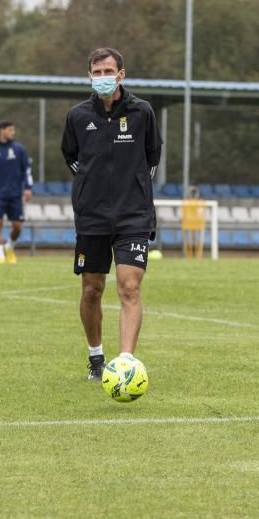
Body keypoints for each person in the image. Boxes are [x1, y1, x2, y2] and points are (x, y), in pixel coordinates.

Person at [61, 47, 162, 381]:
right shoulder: (77, 116)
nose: (103, 77)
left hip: (133, 214)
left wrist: (130, 191)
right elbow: (72, 158)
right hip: (92, 216)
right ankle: (95, 357)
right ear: (89, 75)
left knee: (129, 287)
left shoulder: (142, 112)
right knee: (92, 289)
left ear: (121, 74)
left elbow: (151, 159)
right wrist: (93, 189)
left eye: (108, 71)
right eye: (96, 72)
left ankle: (126, 363)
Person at [0, 120, 33, 263]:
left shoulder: (19, 149)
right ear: (1, 131)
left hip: (15, 194)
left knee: (18, 226)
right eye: (10, 130)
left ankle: (9, 247)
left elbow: (27, 170)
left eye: (13, 130)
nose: (12, 133)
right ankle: (0, 256)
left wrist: (28, 188)